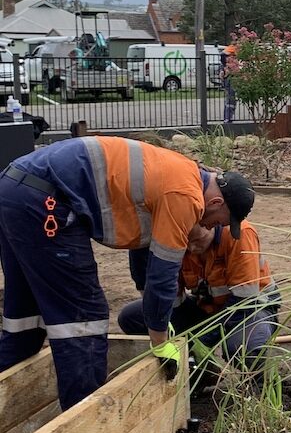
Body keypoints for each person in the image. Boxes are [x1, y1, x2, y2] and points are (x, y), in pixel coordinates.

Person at [0, 136, 255, 409]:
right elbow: (162, 274)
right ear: (216, 203)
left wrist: (154, 314)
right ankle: (84, 423)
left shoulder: (181, 171)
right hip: (46, 201)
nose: (211, 226)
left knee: (25, 324)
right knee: (83, 318)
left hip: (14, 188)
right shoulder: (186, 196)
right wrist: (160, 342)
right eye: (218, 222)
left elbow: (143, 251)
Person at [117, 220, 281, 381]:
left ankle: (266, 389)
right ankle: (202, 373)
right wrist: (180, 345)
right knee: (132, 317)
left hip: (249, 310)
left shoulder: (238, 233)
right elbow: (172, 304)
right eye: (186, 242)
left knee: (244, 347)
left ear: (210, 223)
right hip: (207, 308)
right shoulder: (178, 241)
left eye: (197, 240)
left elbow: (244, 301)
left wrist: (202, 341)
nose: (191, 249)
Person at [222, 44, 238, 123]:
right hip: (229, 82)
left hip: (232, 81)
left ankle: (229, 117)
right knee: (230, 100)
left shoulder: (234, 64)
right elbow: (223, 75)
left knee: (231, 101)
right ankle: (227, 118)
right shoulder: (226, 66)